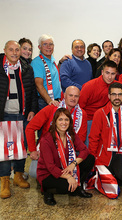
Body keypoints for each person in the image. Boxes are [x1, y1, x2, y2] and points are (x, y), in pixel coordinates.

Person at [0, 40, 38, 199]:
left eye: (17, 49)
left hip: (22, 114)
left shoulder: (27, 68)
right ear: (5, 50)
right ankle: (4, 182)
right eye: (11, 49)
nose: (15, 52)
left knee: (22, 148)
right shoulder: (1, 68)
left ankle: (18, 176)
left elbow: (32, 91)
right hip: (5, 114)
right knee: (6, 151)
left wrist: (32, 110)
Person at [25, 86, 87, 178]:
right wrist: (33, 150)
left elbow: (81, 138)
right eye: (70, 95)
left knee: (87, 159)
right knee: (34, 173)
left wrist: (65, 150)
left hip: (69, 151)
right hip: (48, 151)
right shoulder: (52, 108)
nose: (73, 99)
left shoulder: (82, 114)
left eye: (76, 96)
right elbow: (30, 128)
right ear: (64, 96)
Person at [37, 108, 95, 206]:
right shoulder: (46, 140)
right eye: (60, 119)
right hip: (48, 173)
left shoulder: (71, 134)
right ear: (55, 122)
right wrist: (68, 177)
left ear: (70, 122)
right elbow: (50, 167)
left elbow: (85, 150)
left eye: (66, 119)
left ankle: (78, 188)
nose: (63, 122)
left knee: (90, 159)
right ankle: (47, 192)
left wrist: (73, 164)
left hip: (66, 168)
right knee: (66, 187)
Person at [88, 82, 122, 185]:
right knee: (106, 181)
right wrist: (93, 160)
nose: (117, 97)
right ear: (109, 96)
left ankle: (117, 174)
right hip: (105, 155)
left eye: (119, 94)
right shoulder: (100, 113)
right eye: (114, 94)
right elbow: (93, 138)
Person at [79, 61, 122, 146]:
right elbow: (79, 108)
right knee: (90, 145)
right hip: (90, 119)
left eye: (113, 74)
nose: (109, 77)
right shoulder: (89, 86)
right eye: (107, 73)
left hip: (106, 118)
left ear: (116, 74)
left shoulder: (115, 84)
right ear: (102, 72)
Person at [31, 34, 62, 110]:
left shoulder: (52, 61)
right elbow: (39, 85)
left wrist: (61, 62)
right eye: (45, 44)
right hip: (45, 102)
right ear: (39, 47)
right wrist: (49, 101)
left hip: (55, 101)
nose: (48, 47)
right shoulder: (37, 62)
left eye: (50, 44)